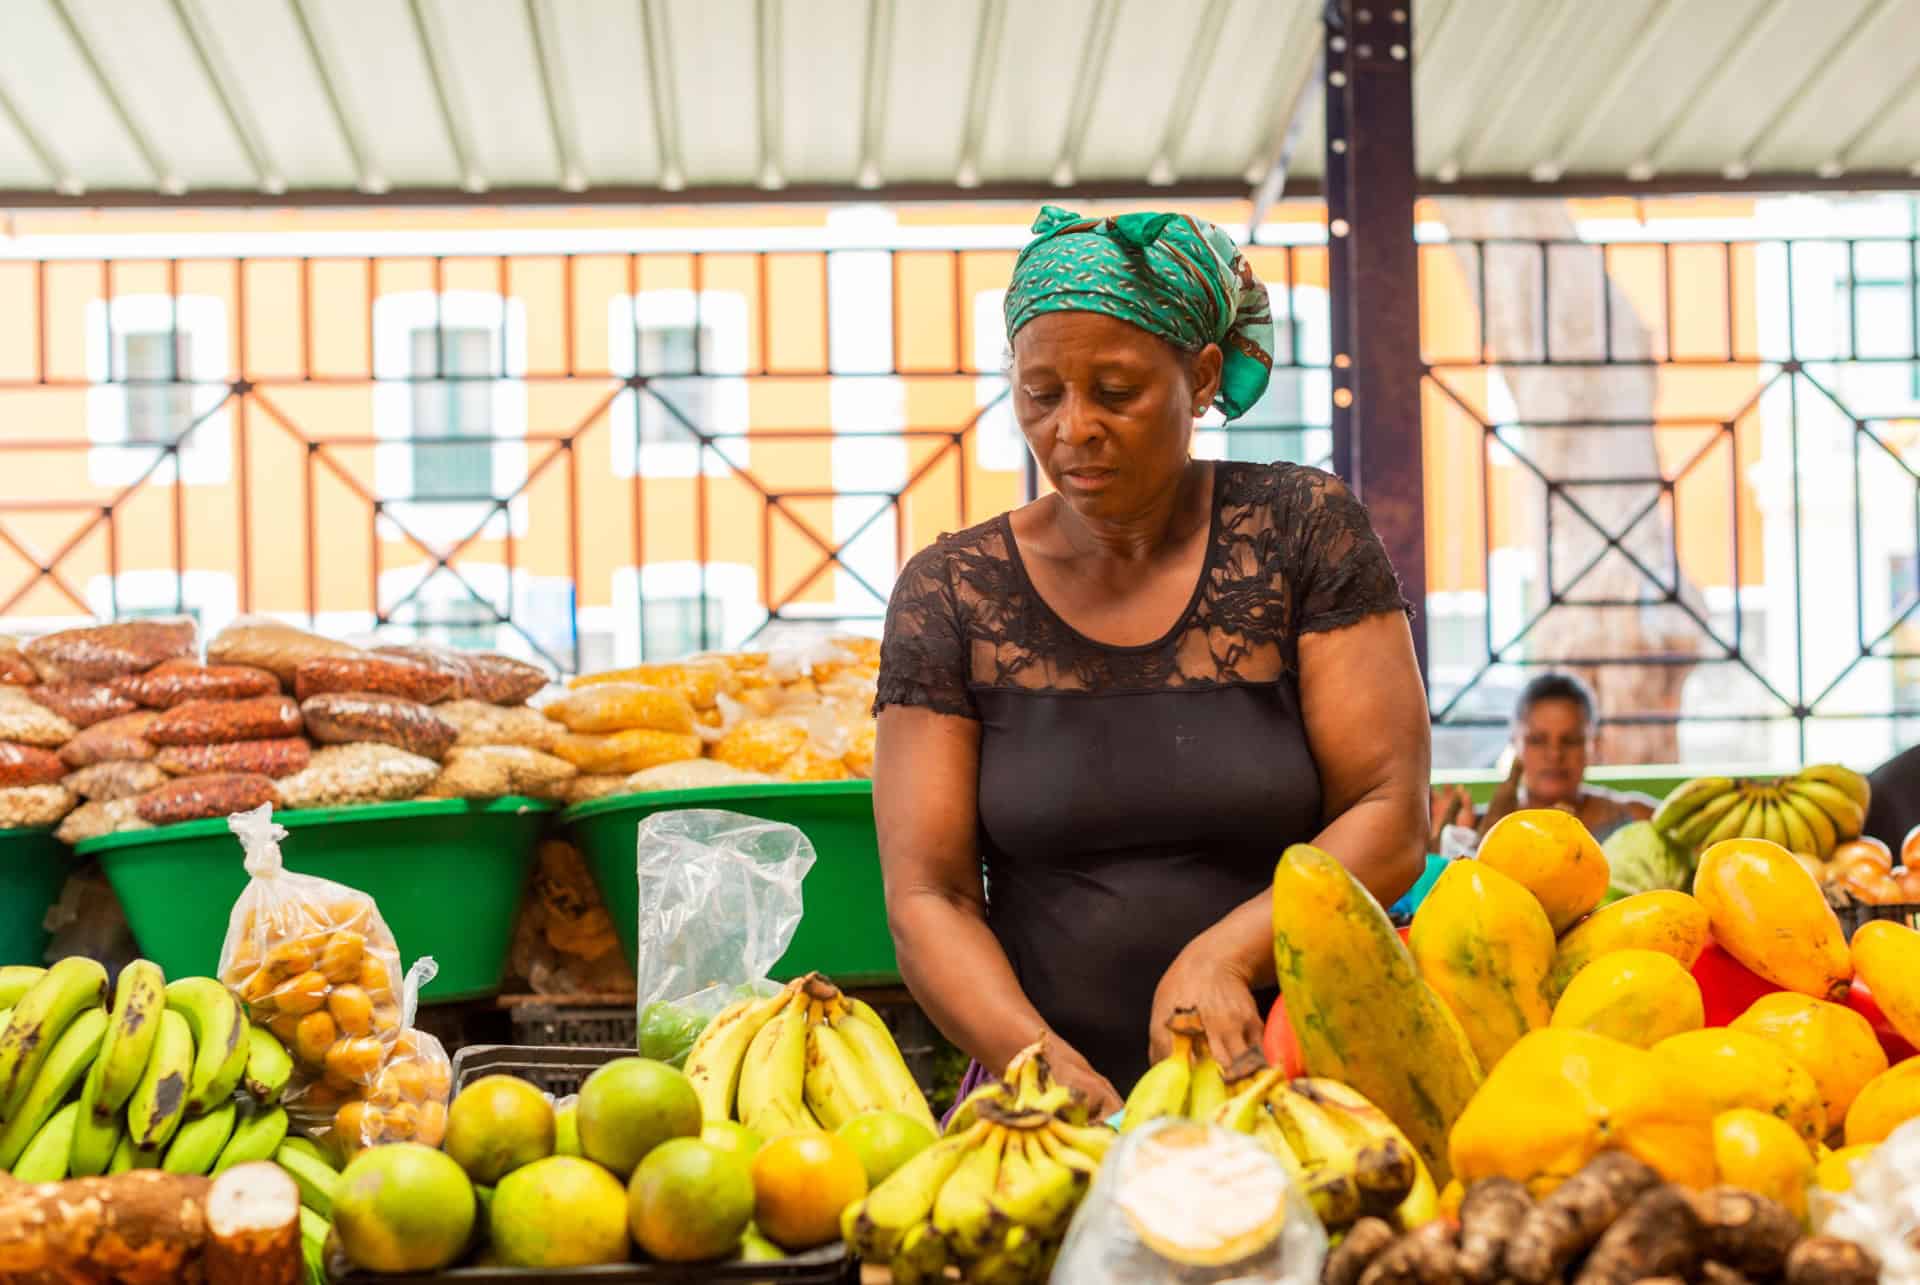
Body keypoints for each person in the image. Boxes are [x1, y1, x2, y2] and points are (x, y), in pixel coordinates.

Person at [871, 207, 1430, 1115]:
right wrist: (1039, 1062)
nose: (1073, 428)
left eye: (1115, 390)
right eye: (1040, 393)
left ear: (1201, 377)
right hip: (1044, 1100)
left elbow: (1389, 809)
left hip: (1298, 1077)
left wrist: (1224, 954)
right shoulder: (952, 592)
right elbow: (929, 894)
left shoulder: (1300, 531)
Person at [1429, 672, 1654, 849]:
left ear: (1593, 744)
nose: (1554, 754)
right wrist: (1442, 841)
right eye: (1537, 740)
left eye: (1571, 740)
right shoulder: (1474, 829)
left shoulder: (1640, 819)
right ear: (1515, 742)